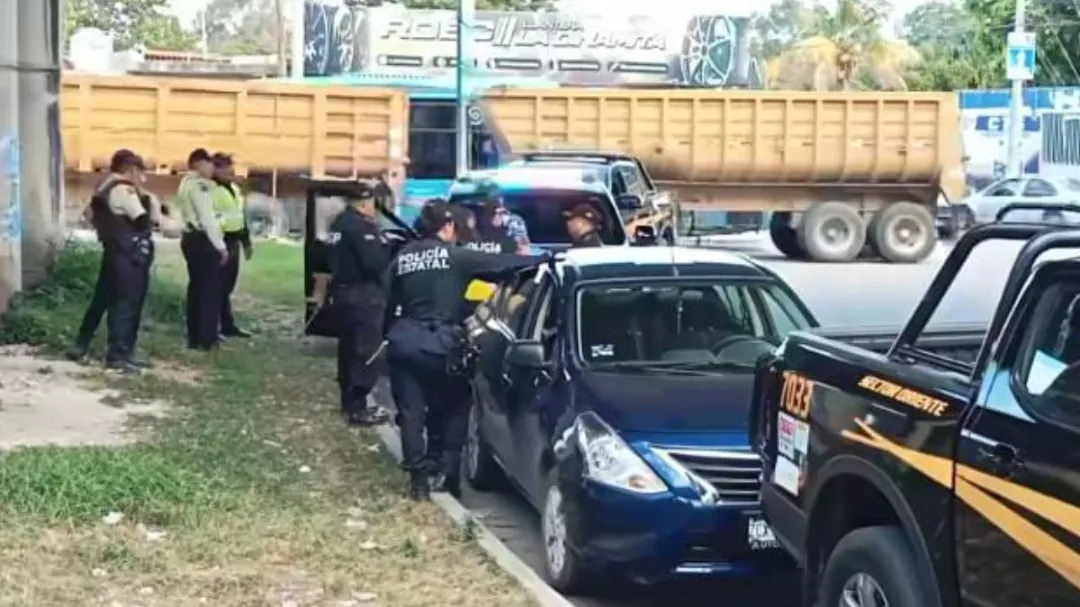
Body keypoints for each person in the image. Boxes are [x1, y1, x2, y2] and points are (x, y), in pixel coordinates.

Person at [387, 200, 547, 501]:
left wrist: (389, 338)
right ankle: (447, 472)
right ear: (446, 227)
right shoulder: (456, 256)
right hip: (443, 344)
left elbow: (388, 303)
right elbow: (504, 265)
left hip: (405, 340)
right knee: (453, 407)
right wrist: (544, 259)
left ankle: (418, 482)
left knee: (410, 414)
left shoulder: (402, 258)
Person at [83, 150, 160, 372]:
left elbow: (89, 215)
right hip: (129, 255)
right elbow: (143, 219)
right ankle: (119, 355)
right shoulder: (124, 190)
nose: (141, 177)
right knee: (127, 305)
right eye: (139, 172)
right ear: (131, 170)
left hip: (113, 252)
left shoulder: (103, 187)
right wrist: (150, 201)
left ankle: (84, 345)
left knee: (105, 300)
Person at [328, 183, 393, 427]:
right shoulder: (362, 227)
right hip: (363, 295)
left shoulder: (339, 223)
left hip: (343, 293)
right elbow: (374, 264)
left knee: (347, 350)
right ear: (366, 203)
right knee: (365, 352)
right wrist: (386, 247)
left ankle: (349, 402)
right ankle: (358, 408)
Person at [176, 148, 228, 351]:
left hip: (190, 238)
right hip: (202, 239)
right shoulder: (200, 186)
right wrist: (221, 247)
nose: (211, 169)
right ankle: (207, 338)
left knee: (196, 288)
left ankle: (194, 335)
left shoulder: (185, 183)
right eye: (209, 164)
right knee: (209, 291)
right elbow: (207, 219)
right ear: (198, 164)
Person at [210, 153, 253, 339]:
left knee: (227, 286)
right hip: (220, 241)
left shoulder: (234, 189)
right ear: (216, 169)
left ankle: (227, 325)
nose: (230, 173)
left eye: (231, 170)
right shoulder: (211, 190)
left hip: (234, 240)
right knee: (216, 287)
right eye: (226, 170)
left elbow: (240, 216)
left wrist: (246, 242)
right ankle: (215, 327)